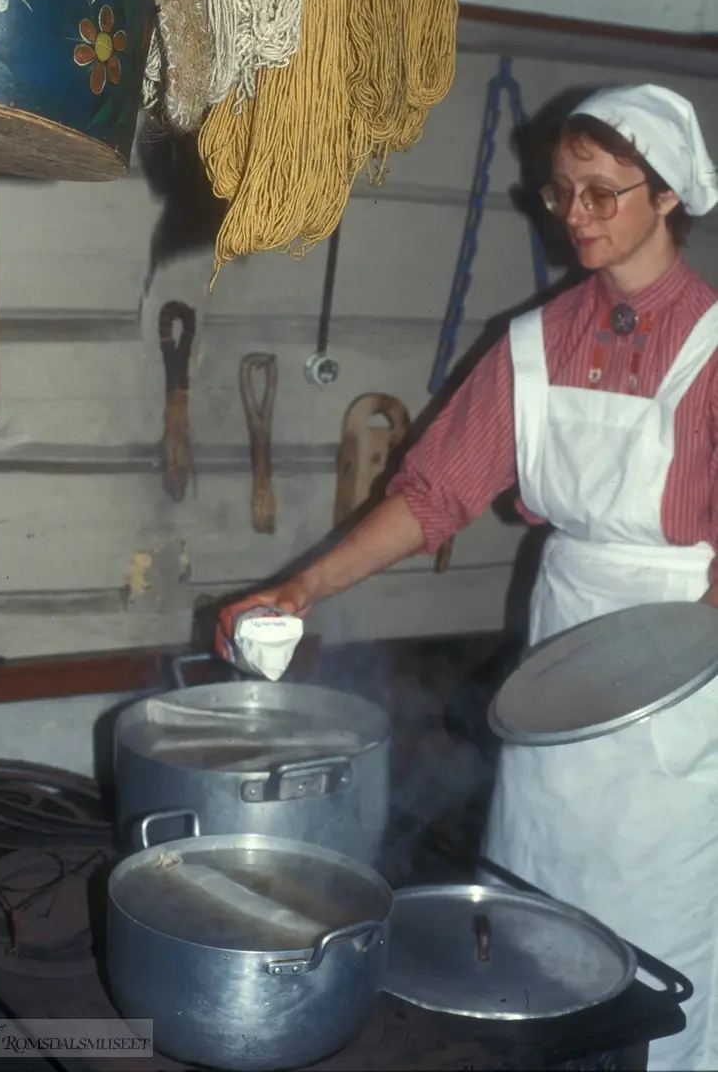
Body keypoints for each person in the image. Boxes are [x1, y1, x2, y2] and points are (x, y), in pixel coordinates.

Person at [216, 83, 718, 1071]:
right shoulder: (534, 343)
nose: (573, 216)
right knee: (538, 910)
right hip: (561, 659)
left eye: (602, 194)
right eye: (558, 193)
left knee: (665, 932)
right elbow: (431, 493)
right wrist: (303, 589)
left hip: (683, 675)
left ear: (667, 198)